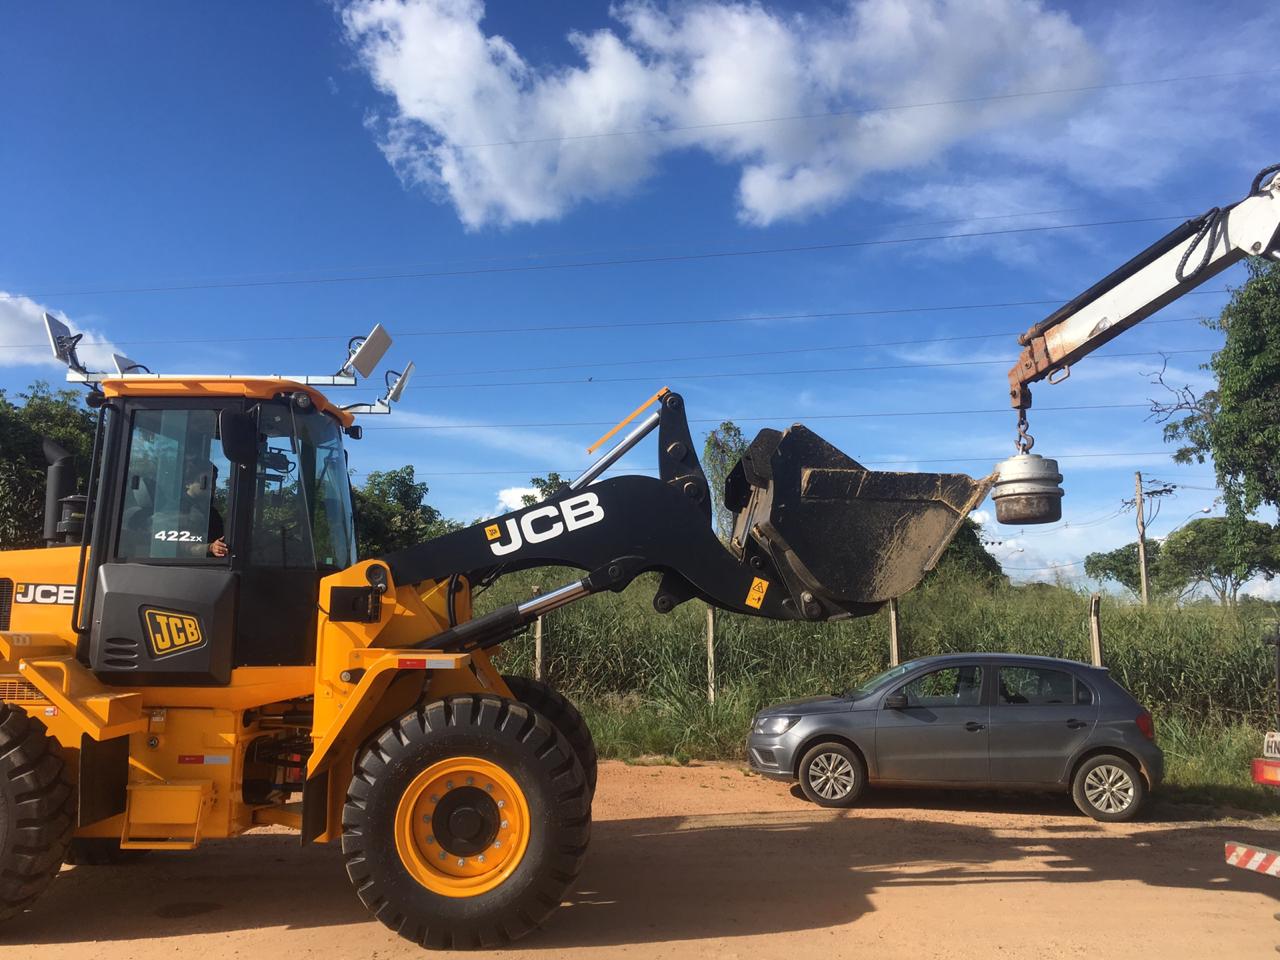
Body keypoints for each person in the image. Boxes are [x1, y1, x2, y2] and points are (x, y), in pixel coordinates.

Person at [183, 459, 228, 558]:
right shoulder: (175, 509)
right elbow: (180, 542)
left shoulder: (213, 513)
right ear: (188, 482)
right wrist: (210, 548)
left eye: (214, 481)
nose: (211, 486)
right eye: (204, 480)